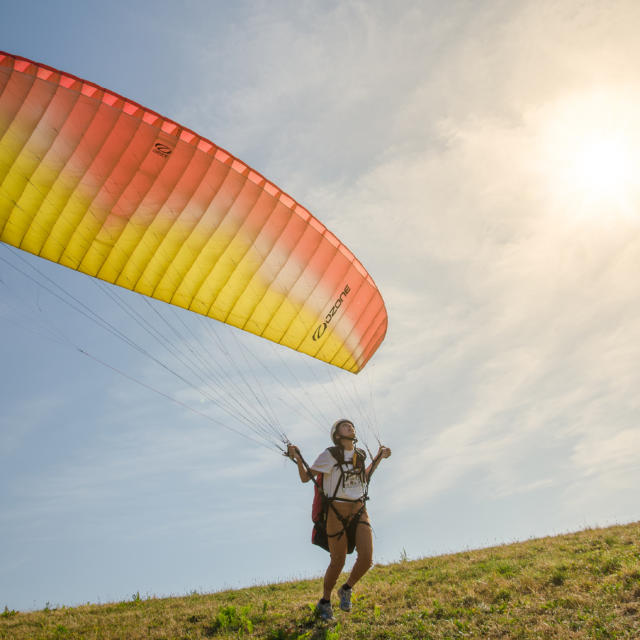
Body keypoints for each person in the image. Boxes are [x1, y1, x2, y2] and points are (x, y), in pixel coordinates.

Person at [287, 419, 391, 621]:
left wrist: (379, 457)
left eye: (351, 425)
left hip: (359, 509)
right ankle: (325, 601)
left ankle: (346, 588)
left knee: (367, 557)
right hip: (336, 512)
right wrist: (298, 457)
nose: (350, 426)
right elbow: (305, 477)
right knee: (338, 560)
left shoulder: (359, 455)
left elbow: (365, 477)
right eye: (345, 426)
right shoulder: (330, 455)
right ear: (337, 435)